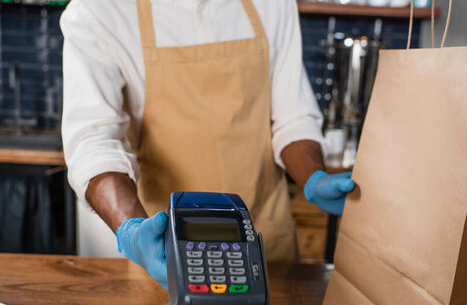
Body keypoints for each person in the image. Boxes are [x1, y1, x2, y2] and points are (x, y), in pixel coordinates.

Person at [60, 0, 355, 289]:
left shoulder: (273, 4)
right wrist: (132, 230)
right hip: (167, 255)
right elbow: (93, 140)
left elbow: (293, 117)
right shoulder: (98, 10)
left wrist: (314, 177)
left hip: (264, 249)